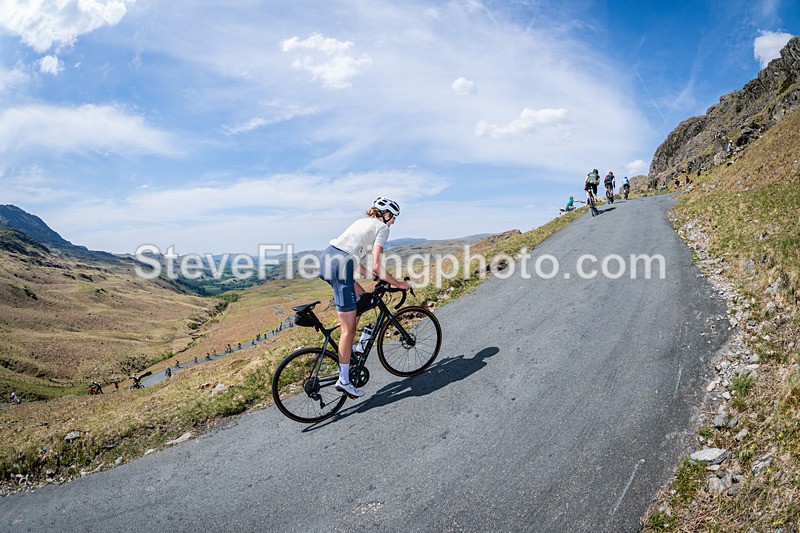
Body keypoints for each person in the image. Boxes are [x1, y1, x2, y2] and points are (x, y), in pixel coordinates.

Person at [319, 196, 411, 397]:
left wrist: (377, 277)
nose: (393, 221)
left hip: (327, 259)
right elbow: (376, 264)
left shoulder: (362, 223)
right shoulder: (382, 228)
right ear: (385, 214)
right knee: (347, 329)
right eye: (393, 217)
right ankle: (344, 380)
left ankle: (351, 350)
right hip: (341, 267)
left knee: (362, 298)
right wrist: (399, 284)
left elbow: (358, 264)